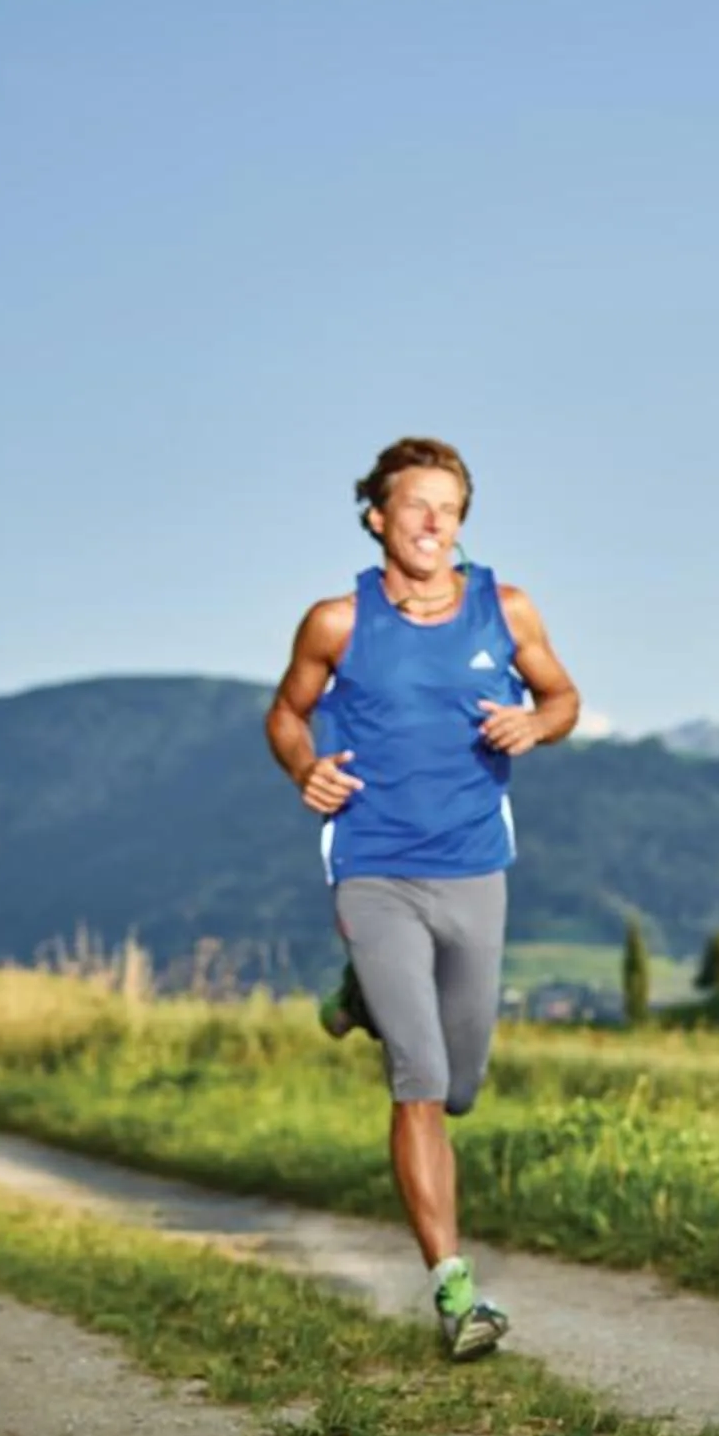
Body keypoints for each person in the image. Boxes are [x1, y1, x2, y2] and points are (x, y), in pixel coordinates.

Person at [265, 437, 582, 1358]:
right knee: (421, 1079)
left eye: (450, 506)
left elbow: (563, 697)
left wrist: (536, 721)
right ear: (379, 517)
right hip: (374, 866)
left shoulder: (504, 608)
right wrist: (304, 768)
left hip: (475, 865)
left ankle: (361, 992)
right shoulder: (337, 621)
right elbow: (286, 712)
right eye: (417, 505)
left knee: (464, 1082)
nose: (435, 521)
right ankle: (455, 1289)